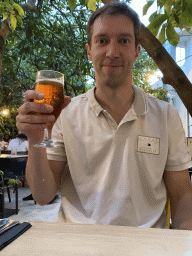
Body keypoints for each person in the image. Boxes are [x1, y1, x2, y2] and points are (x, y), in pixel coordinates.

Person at [16, 2, 192, 229]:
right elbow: (42, 195)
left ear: (137, 51)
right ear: (89, 50)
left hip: (147, 246)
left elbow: (183, 198)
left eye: (124, 40)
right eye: (102, 41)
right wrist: (35, 139)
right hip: (79, 244)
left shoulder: (166, 116)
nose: (112, 52)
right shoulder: (66, 114)